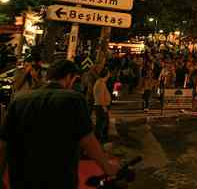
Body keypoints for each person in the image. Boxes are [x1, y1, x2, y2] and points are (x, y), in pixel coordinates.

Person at [0, 60, 118, 189]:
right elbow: (88, 140)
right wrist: (108, 167)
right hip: (58, 178)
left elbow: (4, 143)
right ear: (69, 77)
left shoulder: (19, 101)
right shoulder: (73, 99)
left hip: (21, 179)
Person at [93, 68, 112, 144]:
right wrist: (104, 107)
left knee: (103, 124)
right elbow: (100, 97)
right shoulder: (101, 83)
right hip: (101, 106)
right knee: (101, 124)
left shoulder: (101, 82)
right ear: (106, 74)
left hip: (101, 106)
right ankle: (99, 140)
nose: (109, 75)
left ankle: (101, 140)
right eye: (108, 73)